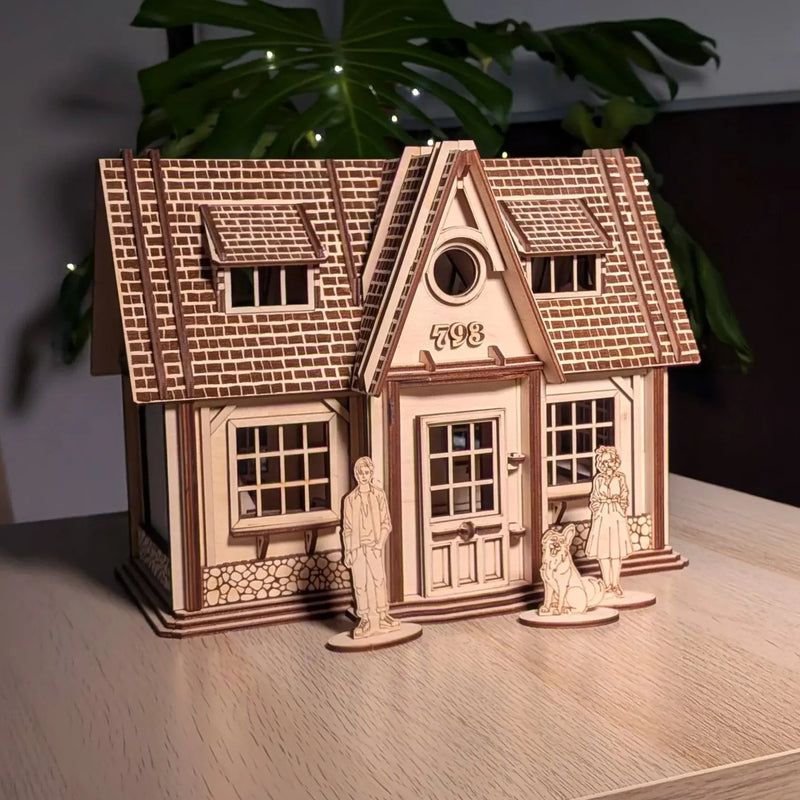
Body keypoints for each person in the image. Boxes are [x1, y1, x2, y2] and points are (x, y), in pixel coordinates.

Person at [341, 456, 400, 638]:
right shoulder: (350, 500)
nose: (364, 476)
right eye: (361, 473)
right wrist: (348, 551)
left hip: (374, 546)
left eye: (367, 473)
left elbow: (386, 523)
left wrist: (379, 543)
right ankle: (364, 618)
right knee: (360, 584)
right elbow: (348, 529)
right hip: (358, 547)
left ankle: (383, 615)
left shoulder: (379, 495)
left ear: (371, 474)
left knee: (378, 580)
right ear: (356, 475)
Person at [585, 445, 632, 597]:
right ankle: (607, 584)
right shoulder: (598, 479)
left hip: (616, 516)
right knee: (604, 551)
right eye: (604, 463)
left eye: (610, 461)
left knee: (616, 552)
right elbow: (594, 497)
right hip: (603, 515)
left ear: (616, 462)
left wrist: (620, 505)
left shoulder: (620, 478)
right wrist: (598, 508)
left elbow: (625, 495)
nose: (608, 465)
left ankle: (616, 583)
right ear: (600, 464)